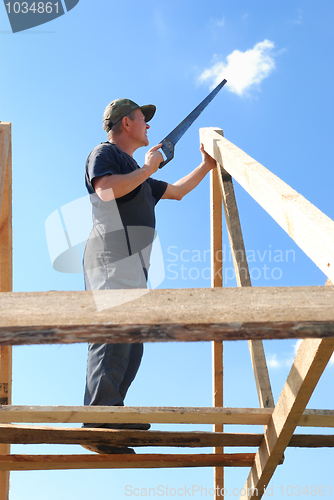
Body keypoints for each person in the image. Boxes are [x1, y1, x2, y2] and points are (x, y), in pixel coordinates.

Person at [82, 98, 216, 454]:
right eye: (144, 120)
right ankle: (98, 418)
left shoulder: (139, 172)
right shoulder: (104, 153)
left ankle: (113, 418)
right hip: (111, 256)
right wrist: (147, 169)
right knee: (114, 332)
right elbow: (106, 190)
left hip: (134, 264)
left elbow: (178, 192)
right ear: (127, 123)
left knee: (133, 343)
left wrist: (206, 165)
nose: (149, 126)